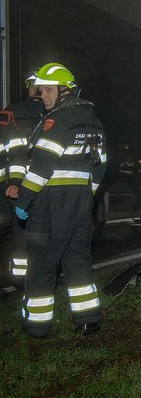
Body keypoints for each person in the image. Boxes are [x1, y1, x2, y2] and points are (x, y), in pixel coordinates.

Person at [14, 62, 106, 337]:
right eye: (41, 91)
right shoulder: (94, 121)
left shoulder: (56, 121)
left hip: (51, 202)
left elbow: (42, 168)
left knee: (41, 264)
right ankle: (88, 319)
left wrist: (23, 201)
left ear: (64, 91)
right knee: (78, 261)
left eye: (48, 90)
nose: (43, 95)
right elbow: (100, 166)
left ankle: (37, 327)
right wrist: (86, 197)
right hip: (80, 204)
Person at [0, 69, 43, 284]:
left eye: (41, 84)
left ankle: (36, 276)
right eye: (32, 84)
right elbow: (12, 152)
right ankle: (20, 281)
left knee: (40, 232)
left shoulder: (54, 113)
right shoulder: (13, 112)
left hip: (42, 184)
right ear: (27, 87)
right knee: (20, 234)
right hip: (14, 186)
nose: (36, 88)